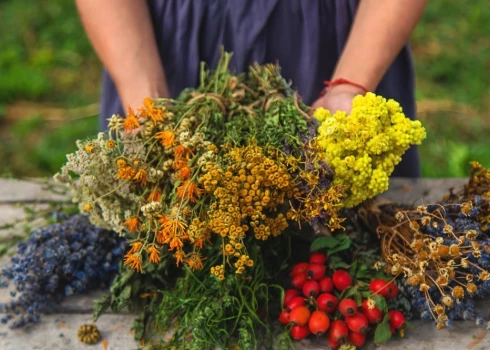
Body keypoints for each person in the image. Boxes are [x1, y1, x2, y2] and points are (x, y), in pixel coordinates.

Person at [76, 0, 428, 177]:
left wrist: (349, 85)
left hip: (342, 43)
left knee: (359, 253)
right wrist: (146, 99)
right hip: (163, 45)